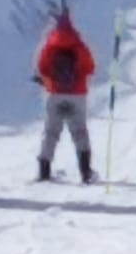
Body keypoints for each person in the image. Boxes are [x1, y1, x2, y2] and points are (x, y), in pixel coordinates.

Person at [33, 10, 97, 184]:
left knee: (51, 132)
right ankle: (85, 172)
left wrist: (47, 81)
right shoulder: (79, 45)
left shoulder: (50, 46)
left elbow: (42, 68)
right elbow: (90, 67)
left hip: (55, 94)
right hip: (77, 95)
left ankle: (44, 171)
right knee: (80, 132)